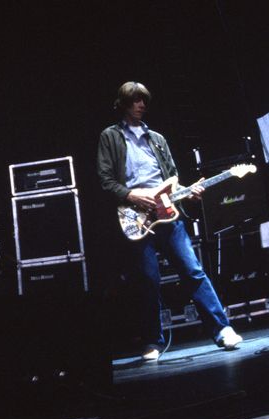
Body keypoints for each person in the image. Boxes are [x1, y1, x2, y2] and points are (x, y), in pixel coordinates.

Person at [97, 81, 242, 361]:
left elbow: (172, 179)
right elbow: (105, 180)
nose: (141, 105)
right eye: (136, 100)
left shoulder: (158, 139)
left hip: (168, 215)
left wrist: (188, 194)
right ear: (124, 103)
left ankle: (222, 329)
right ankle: (153, 341)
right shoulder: (110, 137)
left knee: (193, 270)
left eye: (144, 101)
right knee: (148, 281)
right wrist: (131, 196)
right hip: (136, 217)